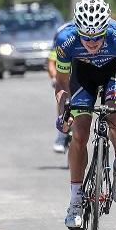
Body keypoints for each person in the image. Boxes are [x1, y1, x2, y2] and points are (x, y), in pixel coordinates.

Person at [55, 0, 116, 229]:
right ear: (78, 30)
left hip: (113, 71)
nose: (92, 43)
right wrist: (63, 113)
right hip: (82, 74)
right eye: (86, 38)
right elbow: (61, 85)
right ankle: (76, 200)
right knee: (79, 133)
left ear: (105, 29)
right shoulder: (66, 41)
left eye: (97, 37)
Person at [48, 22, 72, 154]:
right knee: (62, 93)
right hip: (64, 72)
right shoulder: (62, 34)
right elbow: (51, 62)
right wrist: (54, 78)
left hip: (82, 73)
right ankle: (62, 134)